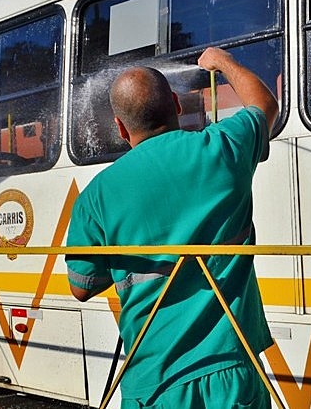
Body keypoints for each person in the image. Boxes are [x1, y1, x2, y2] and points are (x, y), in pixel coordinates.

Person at [65, 47, 279, 408]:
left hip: (154, 385)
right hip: (232, 371)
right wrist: (222, 63)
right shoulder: (222, 148)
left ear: (120, 128)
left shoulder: (95, 197)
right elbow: (264, 104)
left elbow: (81, 287)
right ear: (177, 105)